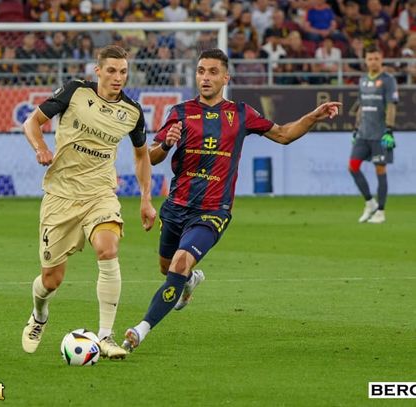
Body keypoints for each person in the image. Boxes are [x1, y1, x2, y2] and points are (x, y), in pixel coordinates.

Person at [121, 48, 341, 352]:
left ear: (226, 77)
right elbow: (153, 157)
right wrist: (167, 145)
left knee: (180, 262)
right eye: (201, 71)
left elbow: (284, 135)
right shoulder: (180, 112)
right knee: (167, 269)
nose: (206, 77)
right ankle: (187, 283)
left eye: (213, 72)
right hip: (176, 207)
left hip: (213, 210)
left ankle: (139, 330)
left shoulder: (241, 113)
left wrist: (313, 116)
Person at [21, 45, 157, 359]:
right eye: (111, 70)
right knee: (51, 280)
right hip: (61, 195)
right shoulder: (74, 92)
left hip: (100, 194)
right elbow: (32, 123)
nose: (117, 77)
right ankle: (39, 315)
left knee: (108, 249)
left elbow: (141, 156)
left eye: (123, 72)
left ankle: (106, 336)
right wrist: (40, 147)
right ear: (97, 71)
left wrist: (146, 199)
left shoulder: (132, 113)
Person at [349, 45, 398, 224]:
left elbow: (392, 106)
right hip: (363, 133)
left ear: (381, 59)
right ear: (365, 61)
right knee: (353, 166)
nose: (373, 62)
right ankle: (370, 203)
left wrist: (389, 130)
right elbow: (361, 106)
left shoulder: (388, 80)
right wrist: (355, 128)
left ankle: (381, 212)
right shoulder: (362, 80)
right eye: (370, 59)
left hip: (380, 134)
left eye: (376, 58)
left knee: (380, 170)